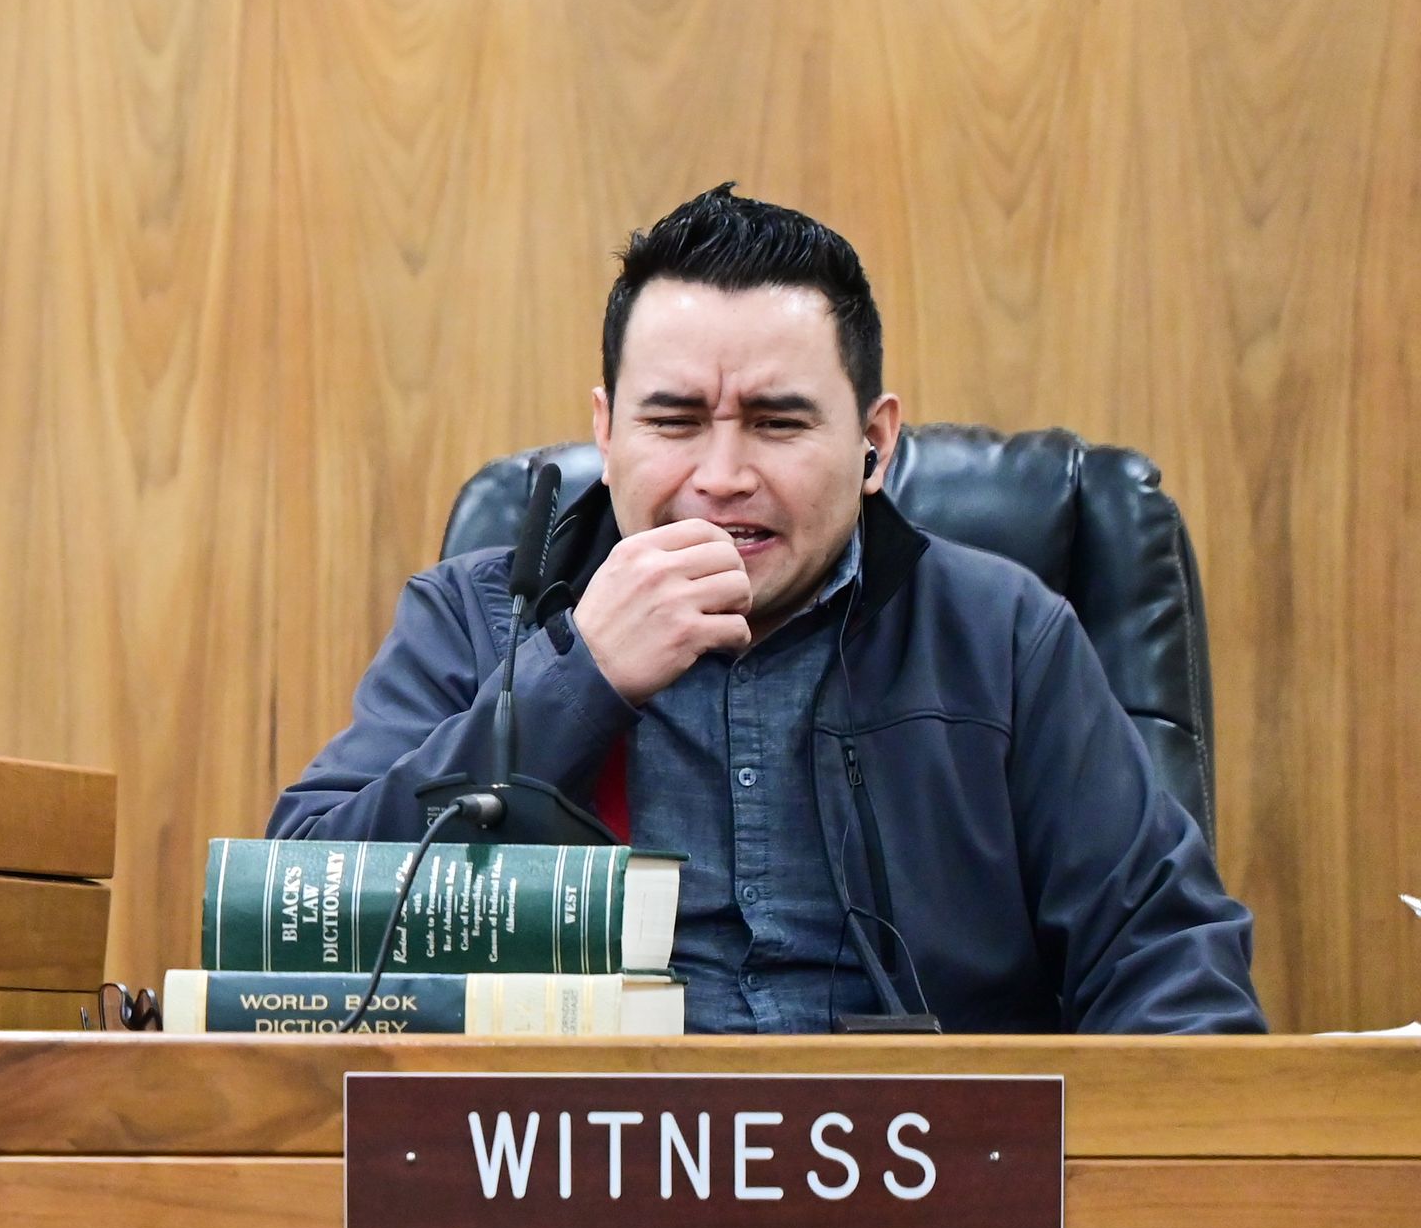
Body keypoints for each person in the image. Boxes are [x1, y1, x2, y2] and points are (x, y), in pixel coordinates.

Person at [271, 185, 1260, 1034]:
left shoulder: (1001, 634)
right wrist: (576, 682)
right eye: (674, 420)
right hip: (578, 1185)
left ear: (875, 444)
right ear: (606, 431)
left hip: (921, 1191)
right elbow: (293, 921)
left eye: (779, 422)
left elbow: (1169, 963)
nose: (722, 475)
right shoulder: (482, 619)